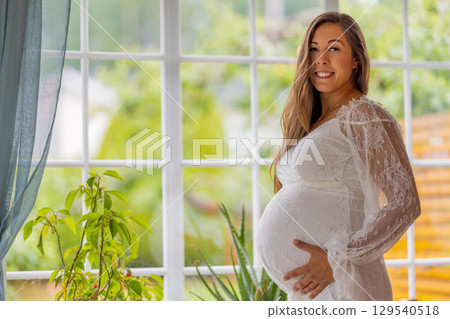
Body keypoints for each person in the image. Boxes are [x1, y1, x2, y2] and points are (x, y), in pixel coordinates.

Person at [256, 11, 421, 301]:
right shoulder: (313, 121)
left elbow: (405, 203)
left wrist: (337, 260)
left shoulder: (366, 116)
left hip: (345, 286)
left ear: (356, 59)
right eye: (314, 48)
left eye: (334, 48)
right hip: (314, 292)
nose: (321, 58)